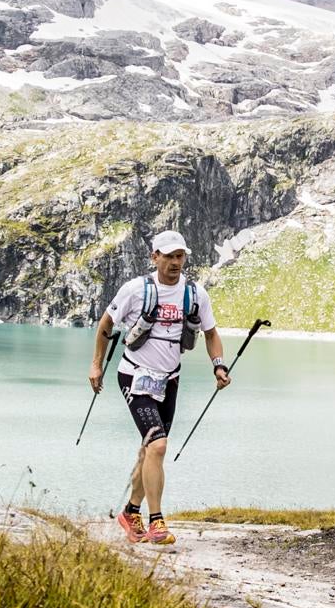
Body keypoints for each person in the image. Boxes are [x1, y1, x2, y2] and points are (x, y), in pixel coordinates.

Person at [90, 229, 230, 544]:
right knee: (158, 446)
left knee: (150, 451)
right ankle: (156, 522)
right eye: (168, 256)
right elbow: (105, 325)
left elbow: (210, 333)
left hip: (169, 379)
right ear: (155, 257)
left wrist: (218, 365)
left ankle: (129, 513)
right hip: (134, 376)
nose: (175, 262)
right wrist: (96, 364)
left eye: (180, 256)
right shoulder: (135, 290)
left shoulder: (195, 295)